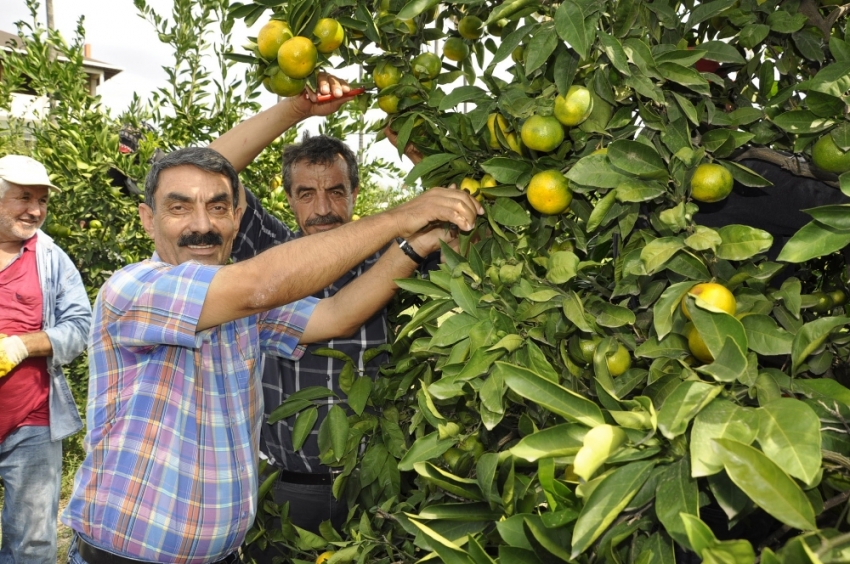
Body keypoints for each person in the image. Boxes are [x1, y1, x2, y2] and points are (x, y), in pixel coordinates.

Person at [61, 121, 481, 563]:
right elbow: (260, 284)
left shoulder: (244, 314)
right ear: (148, 219)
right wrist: (399, 217)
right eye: (179, 209)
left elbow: (334, 314)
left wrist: (414, 245)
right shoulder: (137, 288)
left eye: (219, 208)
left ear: (235, 217)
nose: (202, 225)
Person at [209, 96, 429, 542]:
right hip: (284, 482)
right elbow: (208, 173)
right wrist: (297, 108)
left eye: (335, 191)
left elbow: (471, 246)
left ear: (354, 194)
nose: (323, 208)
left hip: (374, 483)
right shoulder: (269, 253)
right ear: (288, 198)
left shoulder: (393, 253)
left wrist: (421, 157)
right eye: (306, 194)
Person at [0, 154, 92, 564]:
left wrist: (22, 345)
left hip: (31, 419)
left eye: (42, 200)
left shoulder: (50, 257)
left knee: (33, 541)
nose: (36, 210)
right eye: (24, 198)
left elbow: (81, 325)